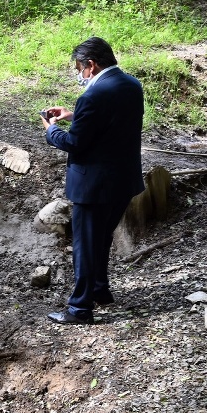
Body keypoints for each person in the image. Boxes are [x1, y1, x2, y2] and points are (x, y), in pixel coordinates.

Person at [40, 36, 145, 324]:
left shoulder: (92, 96)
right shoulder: (132, 85)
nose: (78, 73)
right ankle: (100, 290)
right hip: (123, 181)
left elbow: (76, 142)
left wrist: (51, 131)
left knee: (86, 244)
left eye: (79, 67)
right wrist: (73, 114)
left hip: (93, 185)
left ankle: (79, 308)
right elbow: (114, 120)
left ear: (91, 65)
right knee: (101, 238)